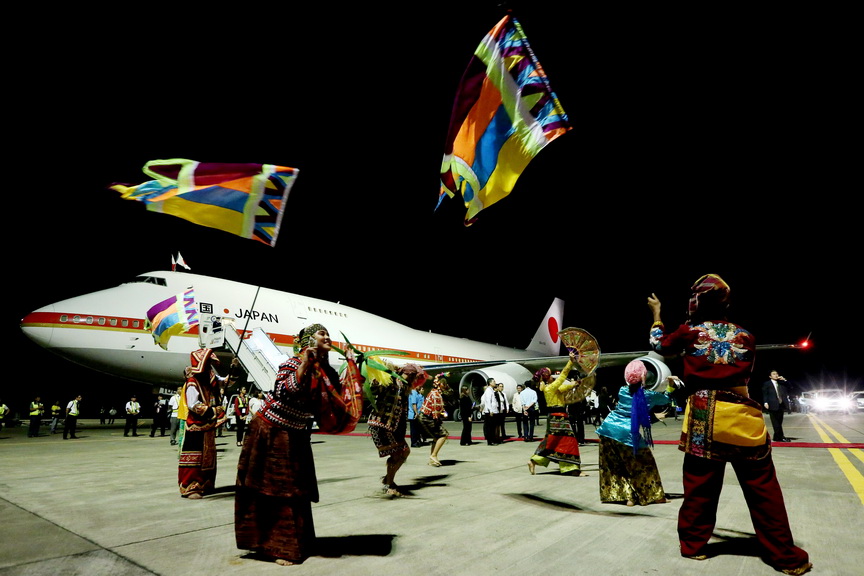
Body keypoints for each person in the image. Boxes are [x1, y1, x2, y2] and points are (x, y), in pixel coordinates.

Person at [648, 273, 811, 575]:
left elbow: (658, 344)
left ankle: (694, 545)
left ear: (695, 302)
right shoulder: (747, 335)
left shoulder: (689, 331)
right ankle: (786, 555)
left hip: (703, 415)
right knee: (763, 488)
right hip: (743, 415)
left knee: (700, 486)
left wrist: (657, 315)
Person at [235, 323, 363, 566]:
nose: (327, 336)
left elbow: (342, 398)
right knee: (277, 489)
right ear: (308, 340)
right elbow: (285, 391)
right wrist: (305, 363)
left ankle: (298, 542)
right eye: (321, 333)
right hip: (270, 430)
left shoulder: (326, 371)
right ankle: (278, 547)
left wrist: (352, 363)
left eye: (328, 332)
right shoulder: (292, 363)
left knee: (298, 488)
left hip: (296, 433)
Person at [596, 361, 670, 506]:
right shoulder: (648, 395)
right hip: (627, 433)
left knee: (615, 465)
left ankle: (627, 496)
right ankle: (654, 496)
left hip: (607, 429)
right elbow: (666, 399)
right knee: (644, 465)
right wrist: (671, 387)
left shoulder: (622, 390)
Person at [179, 348, 239, 498]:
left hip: (208, 426)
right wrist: (213, 410)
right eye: (208, 363)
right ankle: (191, 487)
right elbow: (193, 405)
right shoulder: (193, 382)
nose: (210, 367)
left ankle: (205, 484)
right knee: (194, 458)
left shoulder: (209, 379)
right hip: (196, 426)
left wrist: (234, 369)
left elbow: (226, 383)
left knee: (208, 458)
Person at [366, 360, 428, 496]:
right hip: (381, 424)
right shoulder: (390, 381)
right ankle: (389, 483)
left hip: (394, 426)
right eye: (410, 376)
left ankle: (388, 479)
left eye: (413, 377)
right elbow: (375, 387)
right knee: (397, 453)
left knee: (404, 452)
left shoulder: (405, 388)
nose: (411, 379)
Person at [528, 352, 592, 477]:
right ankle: (572, 468)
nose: (553, 375)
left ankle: (534, 460)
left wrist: (576, 383)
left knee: (552, 443)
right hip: (558, 417)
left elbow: (564, 388)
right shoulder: (550, 388)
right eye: (550, 373)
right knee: (569, 441)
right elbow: (563, 376)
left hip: (556, 417)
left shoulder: (551, 388)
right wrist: (570, 362)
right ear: (547, 377)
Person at [418, 373, 450, 466]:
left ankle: (432, 457)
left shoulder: (434, 392)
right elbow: (435, 413)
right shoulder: (436, 395)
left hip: (425, 417)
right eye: (444, 385)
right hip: (427, 418)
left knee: (437, 436)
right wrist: (443, 415)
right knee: (443, 434)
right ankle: (433, 455)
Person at [762, 370, 792, 443]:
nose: (776, 375)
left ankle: (776, 437)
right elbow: (765, 393)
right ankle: (781, 437)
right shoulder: (767, 384)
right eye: (774, 374)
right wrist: (765, 402)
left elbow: (790, 387)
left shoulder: (781, 383)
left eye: (777, 374)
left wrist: (784, 380)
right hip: (772, 404)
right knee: (775, 422)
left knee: (779, 421)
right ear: (770, 376)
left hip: (781, 404)